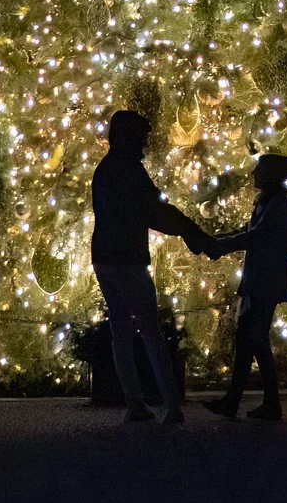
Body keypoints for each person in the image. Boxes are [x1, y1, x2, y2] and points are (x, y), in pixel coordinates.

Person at [91, 109, 212, 424]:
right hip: (129, 259)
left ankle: (135, 403)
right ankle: (171, 405)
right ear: (127, 137)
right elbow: (154, 211)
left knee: (120, 331)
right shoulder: (129, 170)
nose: (146, 143)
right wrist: (191, 230)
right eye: (141, 137)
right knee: (150, 332)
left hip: (104, 258)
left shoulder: (104, 170)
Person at [204, 152, 287, 422]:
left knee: (256, 339)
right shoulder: (269, 202)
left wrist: (222, 245)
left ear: (271, 174)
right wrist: (222, 240)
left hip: (266, 281)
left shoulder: (279, 205)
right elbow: (252, 234)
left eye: (258, 169)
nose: (253, 174)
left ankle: (267, 404)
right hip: (259, 279)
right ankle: (237, 401)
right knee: (248, 340)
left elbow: (257, 237)